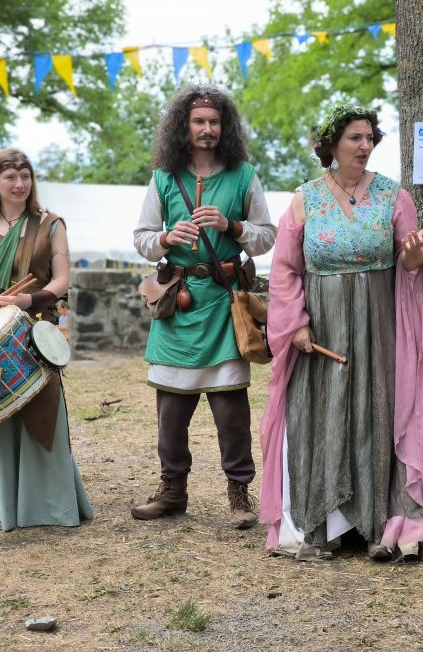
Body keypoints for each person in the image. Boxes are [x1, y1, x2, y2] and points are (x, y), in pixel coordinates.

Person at [258, 104, 423, 560]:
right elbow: (285, 270)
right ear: (332, 145)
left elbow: (411, 263)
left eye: (370, 138)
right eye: (355, 137)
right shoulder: (304, 198)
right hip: (321, 330)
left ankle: (378, 524)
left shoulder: (394, 196)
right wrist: (295, 323)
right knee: (322, 416)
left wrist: (415, 255)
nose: (365, 145)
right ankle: (322, 525)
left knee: (376, 413)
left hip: (378, 327)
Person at [131, 85, 276, 528]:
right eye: (199, 121)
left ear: (224, 126)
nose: (207, 128)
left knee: (231, 412)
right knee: (171, 413)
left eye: (214, 121)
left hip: (222, 302)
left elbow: (267, 236)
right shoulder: (164, 177)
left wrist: (232, 225)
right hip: (177, 304)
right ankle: (173, 491)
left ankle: (239, 494)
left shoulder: (244, 175)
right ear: (184, 126)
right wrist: (166, 238)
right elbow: (141, 239)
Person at [0, 148, 92, 530]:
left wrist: (26, 301)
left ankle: (45, 506)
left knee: (39, 410)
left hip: (31, 331)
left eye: (25, 176)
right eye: (10, 177)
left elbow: (62, 280)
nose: (19, 184)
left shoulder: (51, 224)